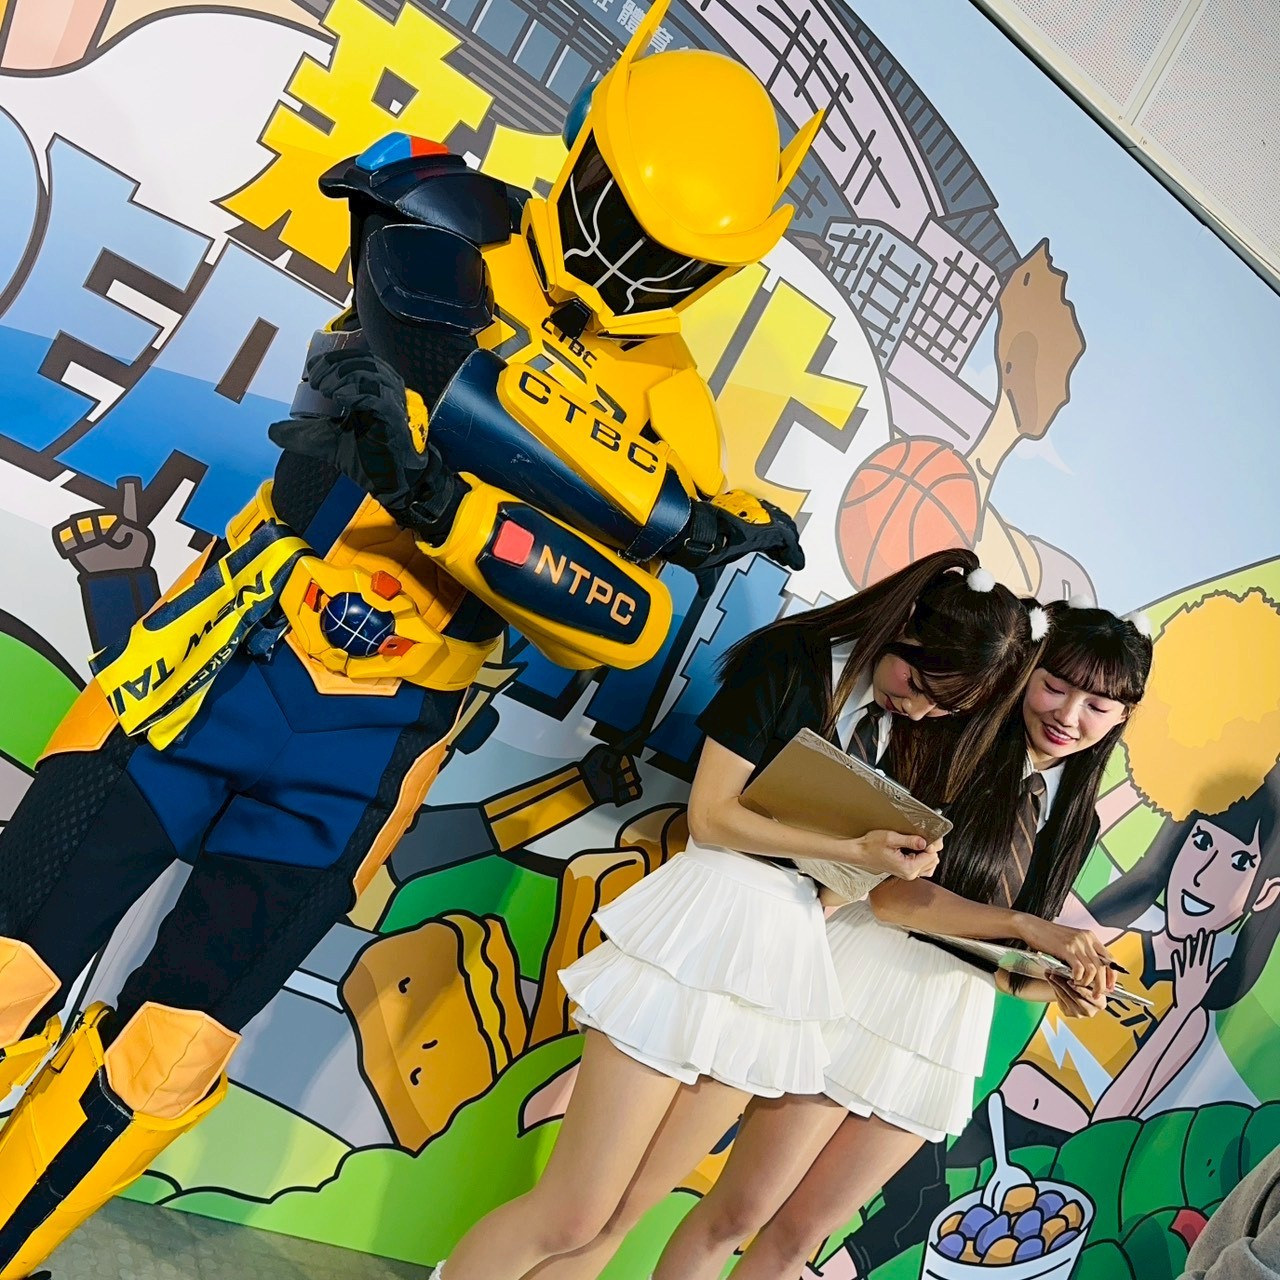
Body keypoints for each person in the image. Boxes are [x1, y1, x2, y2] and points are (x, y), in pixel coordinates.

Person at [0, 2, 810, 1273]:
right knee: (8, 958)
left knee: (169, 1054)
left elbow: (627, 619)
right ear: (587, 151)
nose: (629, 260)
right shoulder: (443, 222)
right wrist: (531, 490)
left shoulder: (678, 419)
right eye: (622, 215)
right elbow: (362, 383)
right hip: (214, 663)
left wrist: (465, 504)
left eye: (672, 252)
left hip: (372, 749)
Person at [436, 547, 1045, 1280]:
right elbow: (712, 817)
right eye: (917, 684)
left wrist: (877, 867)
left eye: (946, 707)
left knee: (627, 1211)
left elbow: (839, 886)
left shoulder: (907, 732)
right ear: (904, 622)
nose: (920, 709)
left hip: (786, 953)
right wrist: (851, 847)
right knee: (574, 1211)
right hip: (705, 921)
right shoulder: (790, 661)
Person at [653, 598, 1153, 1280]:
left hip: (944, 1028)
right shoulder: (955, 741)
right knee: (739, 1213)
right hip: (859, 982)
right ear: (1025, 670)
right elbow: (888, 895)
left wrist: (1056, 984)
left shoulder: (1075, 817)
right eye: (1055, 687)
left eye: (1097, 706)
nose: (1068, 716)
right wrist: (1027, 926)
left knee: (798, 1241)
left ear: (1122, 717)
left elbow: (1001, 966)